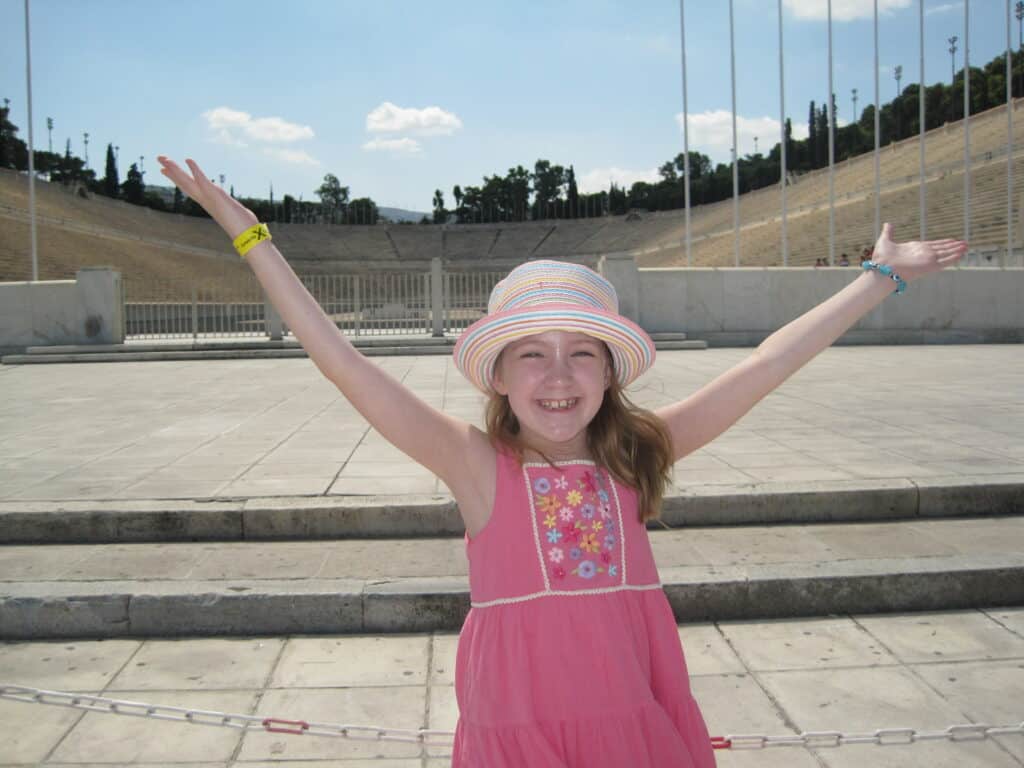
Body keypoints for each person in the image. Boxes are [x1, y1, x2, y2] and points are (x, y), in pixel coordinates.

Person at [157, 156, 967, 768]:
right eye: (532, 355)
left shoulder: (638, 454)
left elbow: (763, 365)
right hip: (519, 725)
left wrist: (878, 279)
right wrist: (251, 236)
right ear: (499, 377)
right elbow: (342, 361)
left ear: (609, 373)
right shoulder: (475, 465)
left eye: (582, 353)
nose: (556, 376)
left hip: (635, 718)